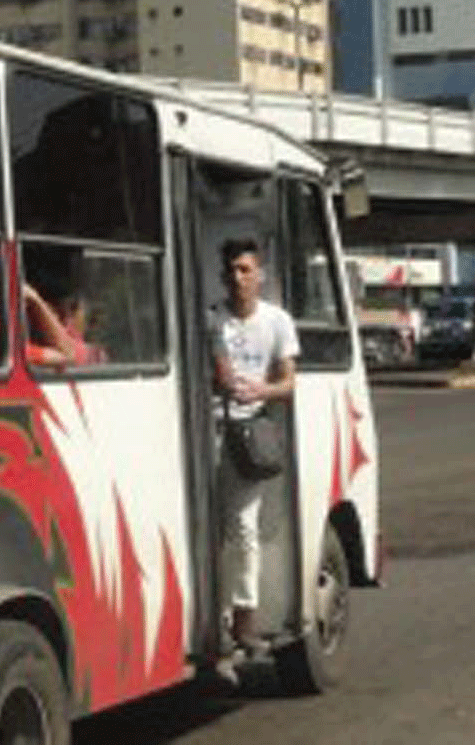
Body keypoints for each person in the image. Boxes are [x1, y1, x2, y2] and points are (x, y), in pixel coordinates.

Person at [210, 237, 299, 676]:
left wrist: (260, 390)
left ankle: (244, 620)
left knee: (243, 528)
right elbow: (213, 370)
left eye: (246, 270)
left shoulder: (277, 321)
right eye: (231, 270)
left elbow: (288, 382)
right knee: (209, 531)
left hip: (247, 435)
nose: (237, 278)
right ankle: (213, 617)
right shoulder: (213, 321)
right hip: (205, 430)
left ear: (259, 275)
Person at [24, 283, 105, 367]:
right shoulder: (29, 337)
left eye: (73, 308)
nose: (66, 317)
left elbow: (71, 354)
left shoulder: (96, 354)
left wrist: (36, 301)